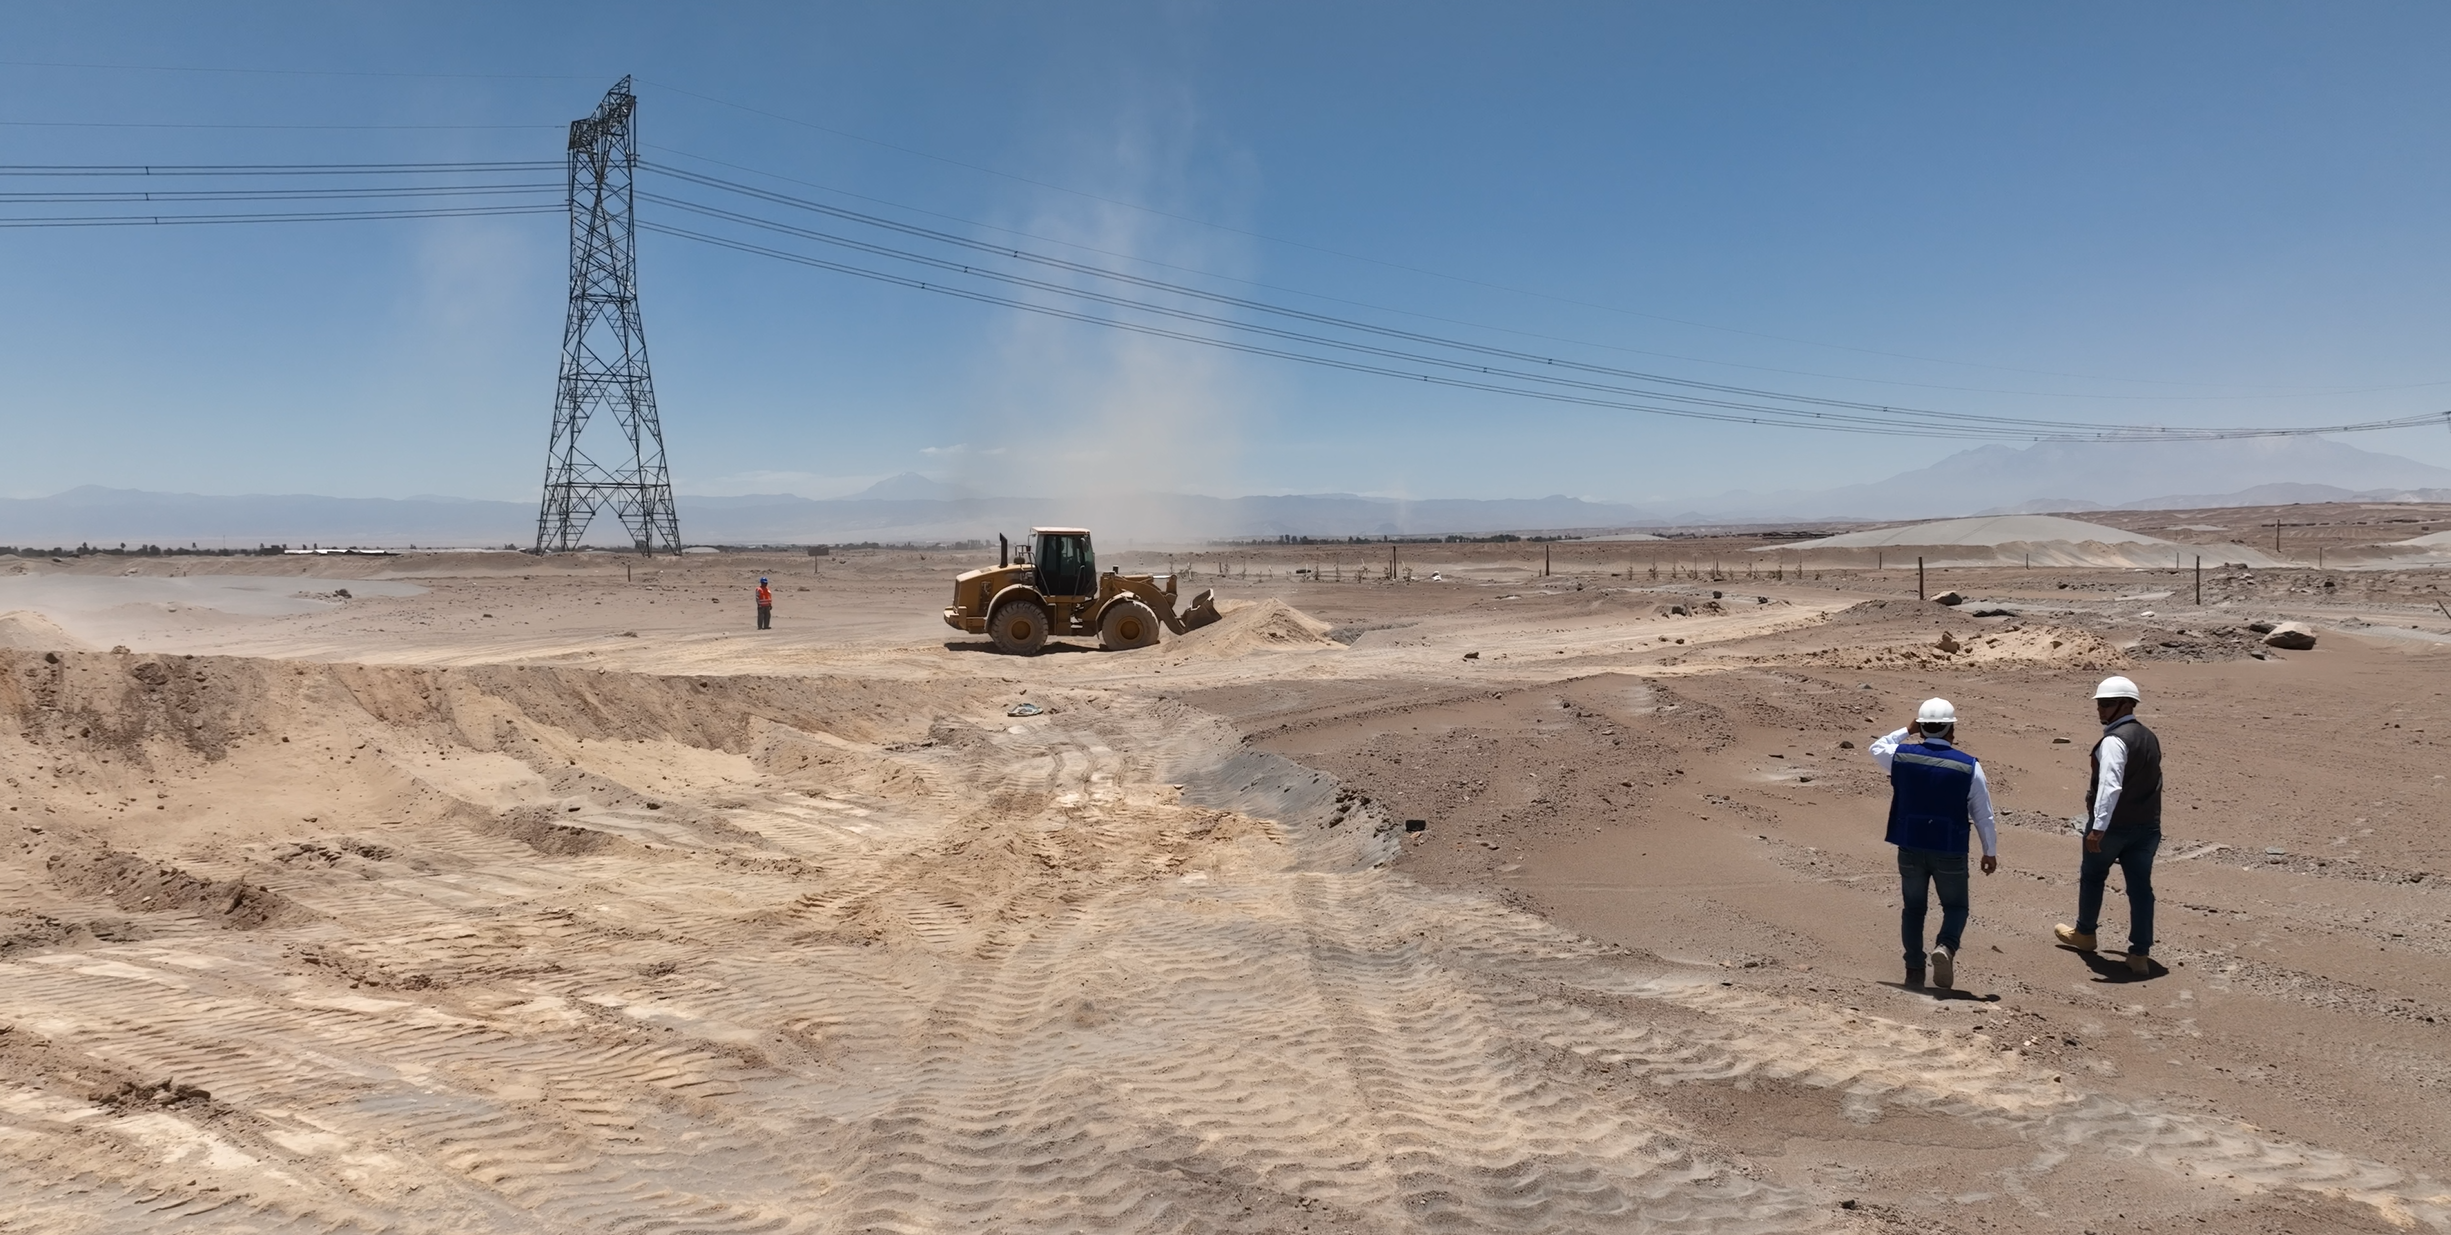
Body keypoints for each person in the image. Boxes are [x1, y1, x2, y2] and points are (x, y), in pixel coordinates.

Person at [1870, 698, 1999, 989]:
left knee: (1913, 909)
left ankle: (1914, 969)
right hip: (1950, 848)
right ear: (1951, 730)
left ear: (1922, 727)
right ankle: (1946, 947)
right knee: (1956, 907)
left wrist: (1907, 730)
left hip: (1910, 844)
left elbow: (1876, 748)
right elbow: (1983, 814)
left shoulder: (1901, 757)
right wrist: (1989, 851)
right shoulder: (1969, 766)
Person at [2056, 676, 2162, 975]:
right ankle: (2139, 954)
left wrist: (2098, 827)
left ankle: (2085, 934)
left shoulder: (2115, 740)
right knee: (2140, 889)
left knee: (2092, 877)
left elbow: (2110, 786)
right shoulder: (2148, 736)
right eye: (2100, 704)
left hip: (2114, 827)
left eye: (2107, 703)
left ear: (2127, 705)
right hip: (2147, 826)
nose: (2100, 709)